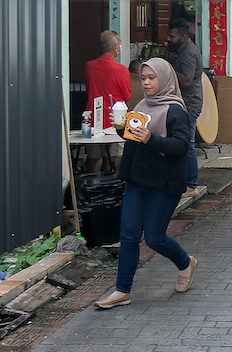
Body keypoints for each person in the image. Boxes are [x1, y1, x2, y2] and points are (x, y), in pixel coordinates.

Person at [94, 58, 197, 309]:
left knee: (154, 238)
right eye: (143, 78)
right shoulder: (141, 104)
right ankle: (122, 291)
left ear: (165, 78)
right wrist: (121, 127)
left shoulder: (174, 110)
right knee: (128, 236)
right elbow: (134, 137)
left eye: (152, 78)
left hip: (163, 182)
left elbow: (181, 146)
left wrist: (152, 139)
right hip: (138, 178)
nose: (147, 83)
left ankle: (185, 263)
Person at [83, 30, 132, 172]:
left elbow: (88, 89)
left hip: (93, 117)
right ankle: (105, 187)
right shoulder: (121, 70)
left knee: (92, 157)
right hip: (114, 119)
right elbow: (127, 96)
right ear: (115, 48)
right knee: (109, 158)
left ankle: (86, 183)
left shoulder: (89, 66)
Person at [166, 18, 203, 198]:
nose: (168, 39)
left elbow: (187, 81)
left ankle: (191, 185)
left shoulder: (187, 53)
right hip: (183, 104)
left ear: (182, 36)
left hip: (189, 104)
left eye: (172, 36)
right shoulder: (181, 51)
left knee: (187, 144)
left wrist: (168, 69)